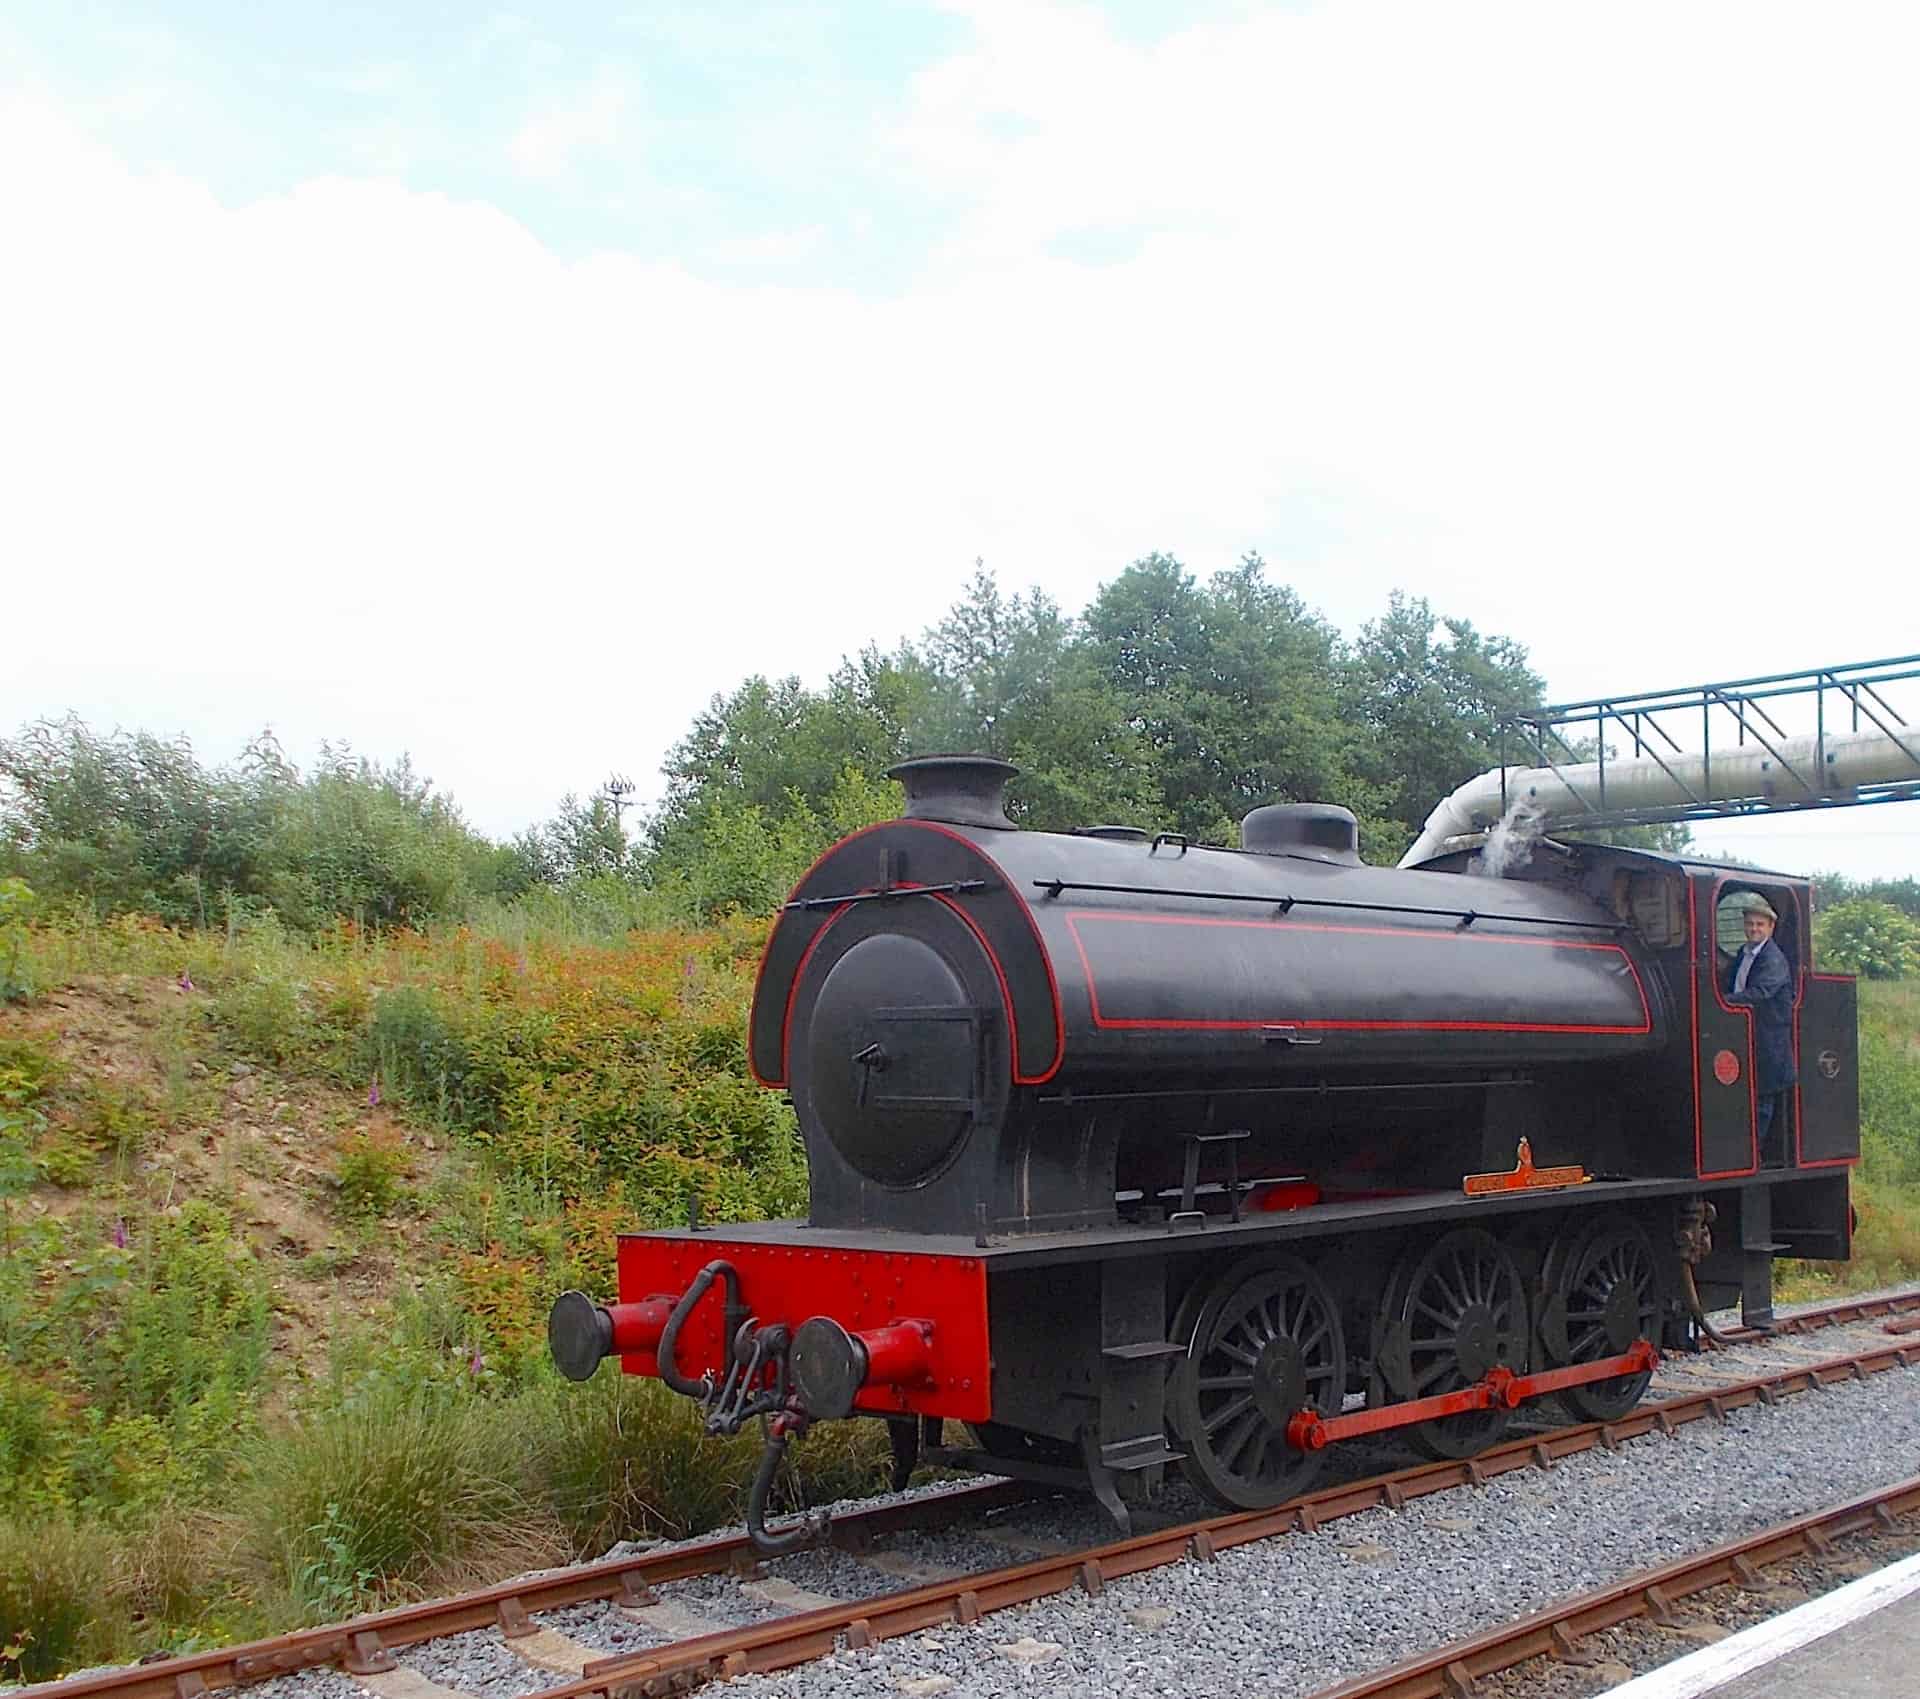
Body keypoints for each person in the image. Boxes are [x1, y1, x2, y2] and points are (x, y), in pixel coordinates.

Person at [1723, 896, 1796, 1168]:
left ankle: (1755, 1152)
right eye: (1750, 924)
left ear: (1770, 928)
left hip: (1768, 1037)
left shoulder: (1773, 959)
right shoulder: (1744, 953)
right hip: (1746, 1033)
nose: (1754, 929)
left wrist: (1722, 1001)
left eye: (1759, 925)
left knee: (1763, 1096)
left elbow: (1761, 992)